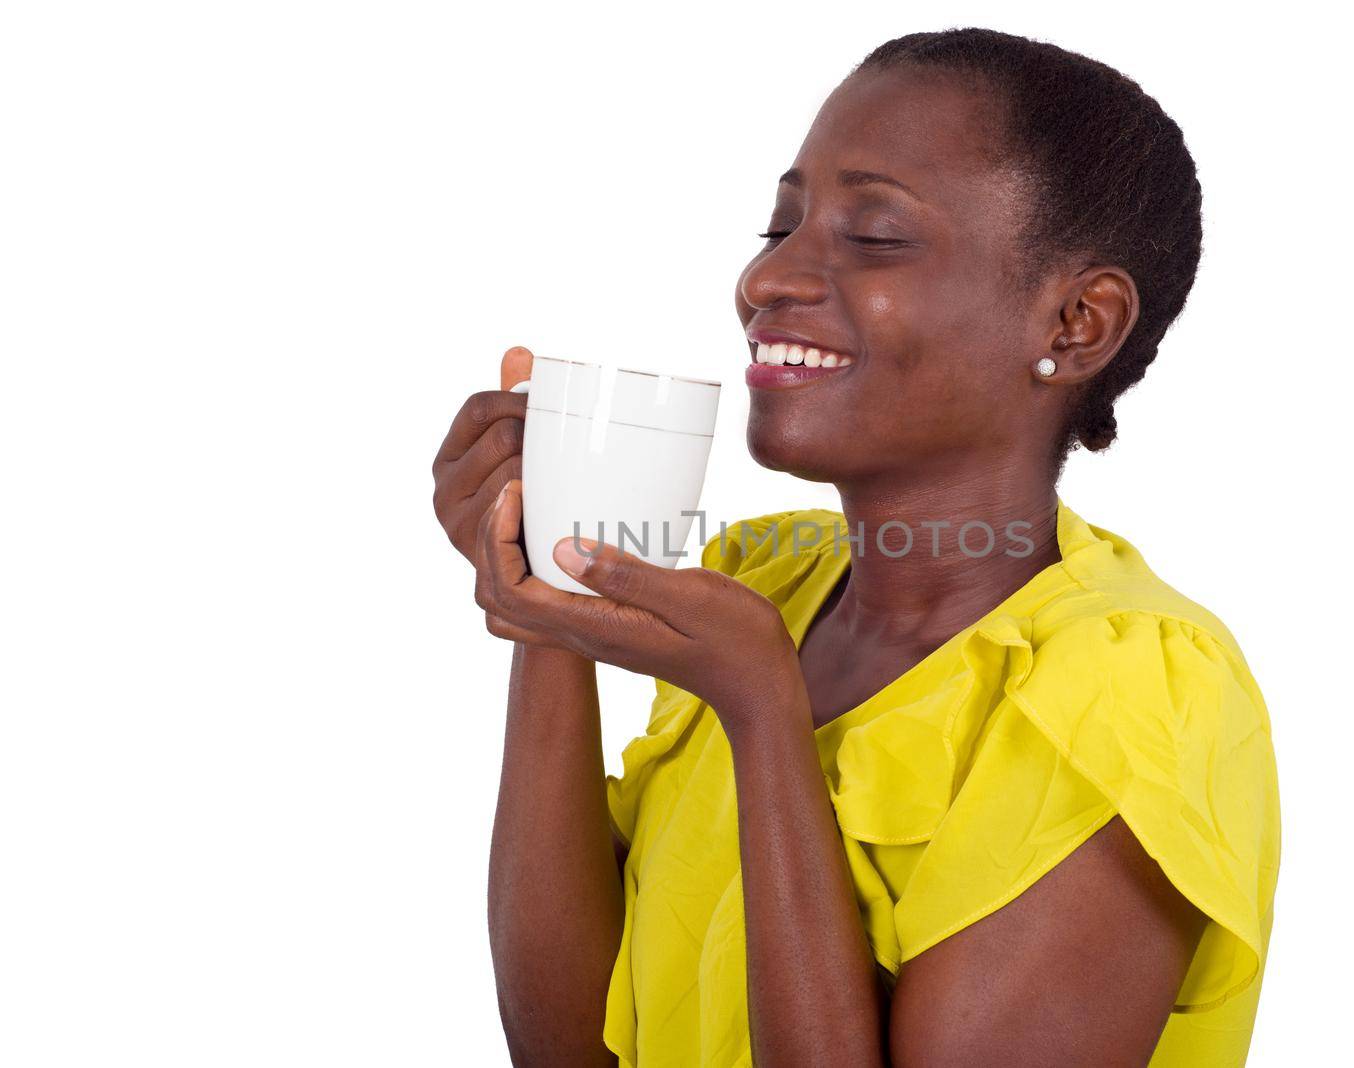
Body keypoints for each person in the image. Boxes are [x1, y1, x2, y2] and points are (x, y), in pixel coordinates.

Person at [432, 27, 1279, 1068]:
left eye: (873, 234)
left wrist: (761, 709)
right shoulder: (763, 581)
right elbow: (568, 1049)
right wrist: (546, 590)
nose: (769, 279)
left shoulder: (1131, 692)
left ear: (1074, 322)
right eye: (778, 225)